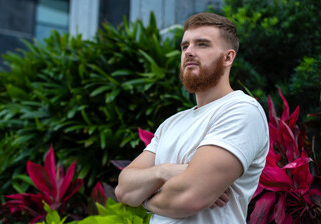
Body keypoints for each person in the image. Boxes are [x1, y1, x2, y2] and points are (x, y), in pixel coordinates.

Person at [115, 12, 269, 224]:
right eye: (184, 46)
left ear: (228, 57)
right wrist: (166, 171)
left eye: (202, 44)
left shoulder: (241, 110)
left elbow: (189, 197)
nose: (189, 52)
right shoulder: (171, 124)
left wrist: (145, 199)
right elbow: (124, 188)